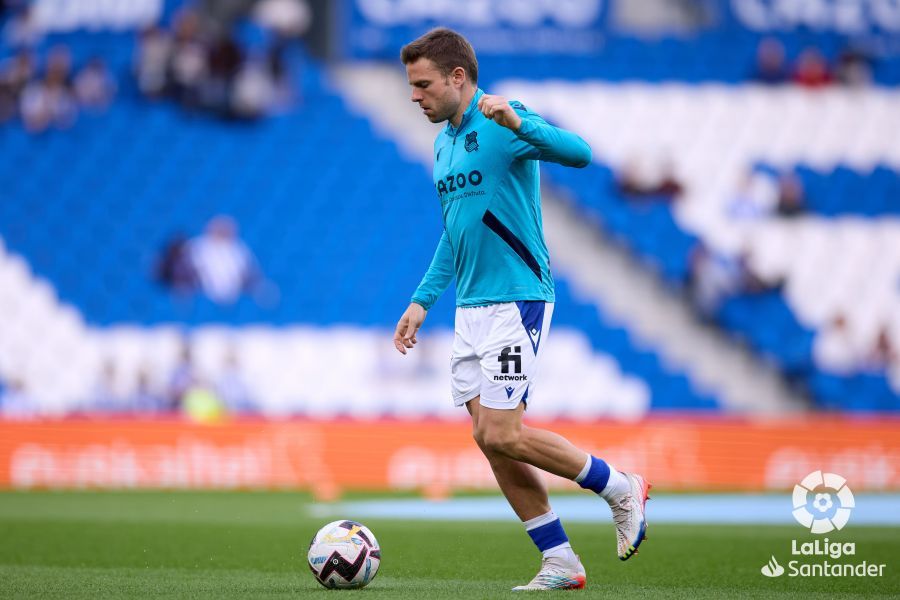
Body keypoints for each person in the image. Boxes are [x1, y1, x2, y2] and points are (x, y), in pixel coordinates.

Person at [392, 28, 650, 591]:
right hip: (470, 308)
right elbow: (454, 230)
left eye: (423, 84)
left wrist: (519, 124)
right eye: (412, 86)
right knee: (489, 437)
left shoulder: (502, 119)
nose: (415, 96)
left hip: (517, 297)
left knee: (505, 432)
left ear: (458, 77)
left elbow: (580, 154)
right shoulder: (444, 144)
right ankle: (559, 560)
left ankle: (618, 486)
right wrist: (421, 301)